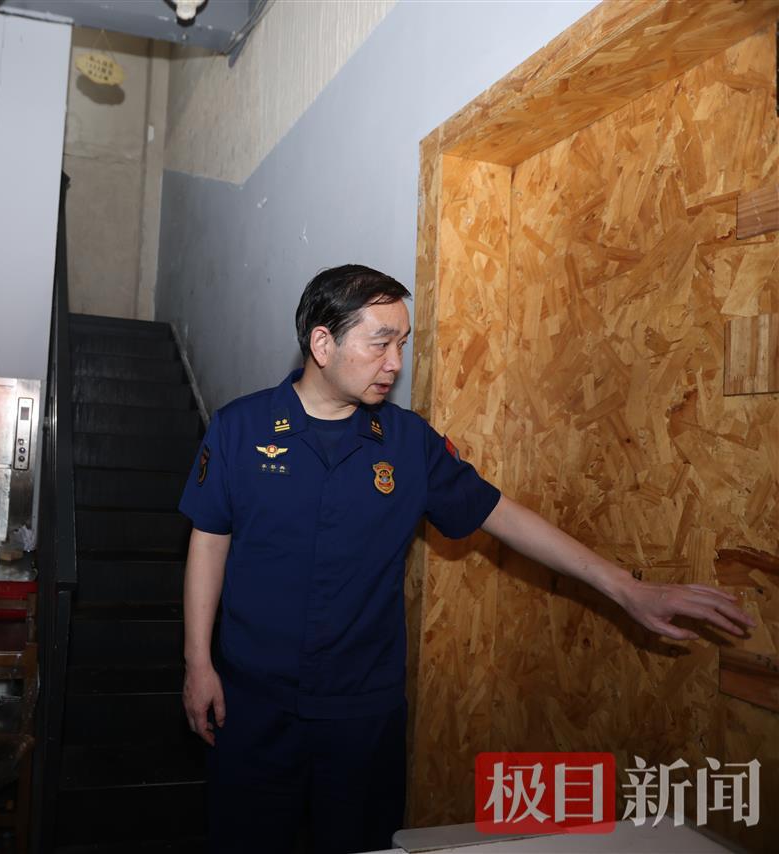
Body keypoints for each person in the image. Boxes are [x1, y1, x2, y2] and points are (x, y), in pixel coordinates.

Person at [178, 264, 755, 854]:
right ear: (323, 344)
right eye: (380, 343)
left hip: (362, 713)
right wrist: (198, 663)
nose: (395, 363)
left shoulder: (408, 443)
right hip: (254, 704)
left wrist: (626, 587)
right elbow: (209, 541)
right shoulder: (239, 428)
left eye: (402, 344)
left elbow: (502, 516)